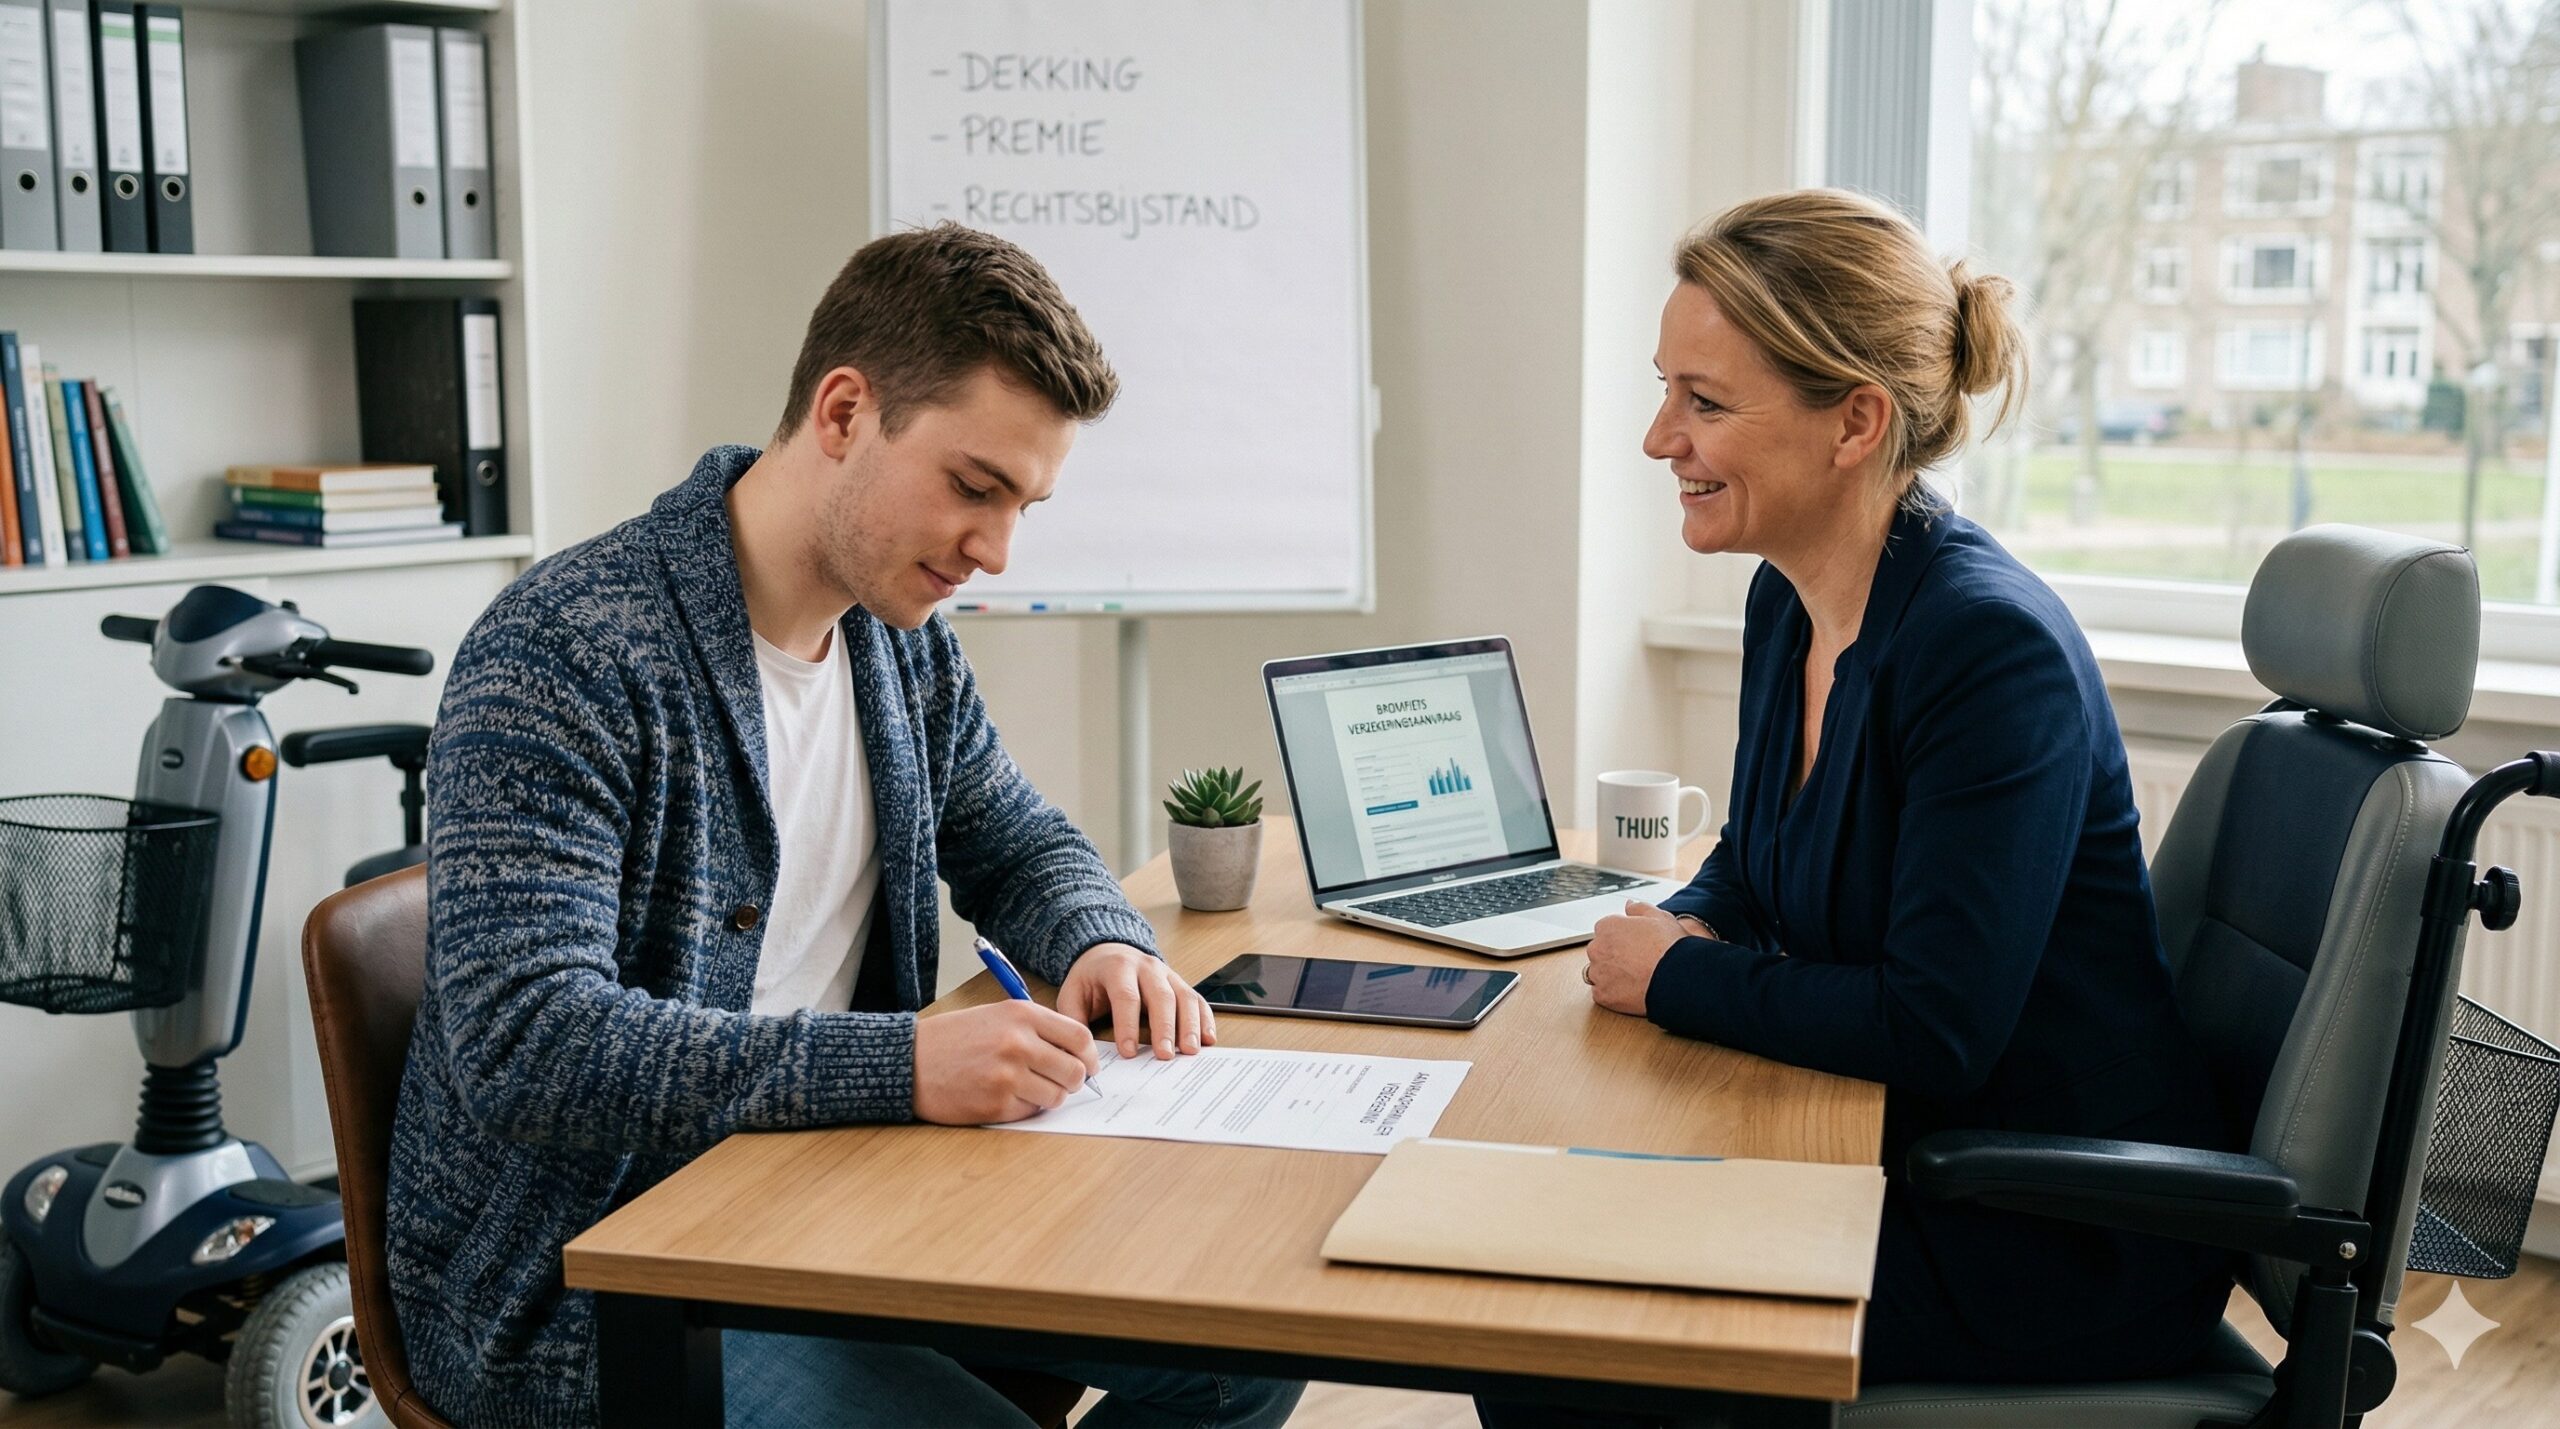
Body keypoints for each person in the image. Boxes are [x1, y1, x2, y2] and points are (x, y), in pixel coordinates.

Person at [387, 223, 1303, 1429]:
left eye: (1024, 504)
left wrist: (1099, 942)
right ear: (841, 413)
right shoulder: (566, 647)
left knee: (1243, 1347)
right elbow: (532, 1043)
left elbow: (1013, 833)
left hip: (835, 1189)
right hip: (596, 1271)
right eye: (975, 487)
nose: (995, 550)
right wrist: (905, 1064)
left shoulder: (895, 641)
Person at [1498, 190, 2233, 1424]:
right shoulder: (1790, 600)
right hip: (1889, 1151)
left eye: (1704, 401)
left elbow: (1937, 1024)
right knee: (1532, 1286)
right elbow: (1758, 858)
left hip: (2041, 1235)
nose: (1655, 438)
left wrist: (1671, 977)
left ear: (1855, 422)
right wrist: (1672, 924)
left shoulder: (1988, 651)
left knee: (1565, 1333)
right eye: (1666, 388)